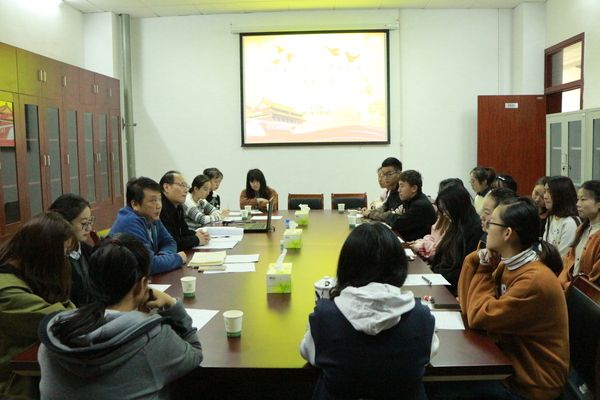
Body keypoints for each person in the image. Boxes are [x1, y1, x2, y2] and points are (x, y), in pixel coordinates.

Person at [38, 234, 203, 399]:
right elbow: (195, 354)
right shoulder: (152, 339)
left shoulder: (53, 337)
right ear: (142, 285)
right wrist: (172, 305)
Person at [300, 223, 438, 400]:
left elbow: (308, 353)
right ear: (400, 266)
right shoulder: (421, 318)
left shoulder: (324, 317)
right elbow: (428, 354)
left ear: (345, 267)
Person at [450, 198, 568, 400]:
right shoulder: (508, 264)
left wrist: (483, 268)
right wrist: (474, 259)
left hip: (530, 386)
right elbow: (467, 305)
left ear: (508, 233)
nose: (485, 226)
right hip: (507, 367)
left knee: (442, 389)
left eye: (491, 222)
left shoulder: (534, 281)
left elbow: (478, 316)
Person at [0, 213, 76, 399]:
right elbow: (65, 321)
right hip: (13, 387)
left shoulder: (27, 277)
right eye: (64, 254)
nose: (65, 261)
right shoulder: (6, 292)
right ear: (45, 254)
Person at [110, 176, 186, 274]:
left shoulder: (151, 217)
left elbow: (170, 242)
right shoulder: (129, 222)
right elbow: (148, 265)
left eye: (159, 199)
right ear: (135, 204)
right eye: (153, 201)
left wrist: (162, 256)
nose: (159, 206)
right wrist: (178, 258)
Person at [429, 185, 483, 295]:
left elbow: (464, 268)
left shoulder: (475, 229)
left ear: (456, 207)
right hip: (442, 279)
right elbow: (443, 255)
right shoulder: (456, 222)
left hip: (455, 286)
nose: (444, 214)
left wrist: (438, 276)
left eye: (445, 210)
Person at [49, 194, 96, 306]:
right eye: (84, 223)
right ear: (64, 223)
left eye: (90, 221)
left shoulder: (89, 251)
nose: (89, 228)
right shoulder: (53, 259)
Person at [559, 180, 600, 289]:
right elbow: (569, 260)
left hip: (586, 294)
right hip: (571, 289)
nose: (577, 204)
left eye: (583, 199)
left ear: (598, 203)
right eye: (578, 199)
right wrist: (562, 282)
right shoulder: (581, 229)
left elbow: (594, 279)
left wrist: (569, 287)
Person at [159, 170, 210, 251]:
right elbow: (172, 242)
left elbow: (184, 231)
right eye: (182, 185)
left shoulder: (178, 206)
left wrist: (197, 234)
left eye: (186, 186)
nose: (186, 190)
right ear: (166, 187)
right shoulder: (159, 208)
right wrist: (197, 239)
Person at [386, 170, 437, 242]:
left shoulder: (419, 205)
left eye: (402, 186)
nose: (398, 190)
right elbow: (393, 212)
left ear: (414, 188)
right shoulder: (409, 200)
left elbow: (396, 224)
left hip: (420, 246)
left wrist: (388, 215)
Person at [543, 175, 580, 256]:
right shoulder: (551, 217)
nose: (545, 197)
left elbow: (563, 257)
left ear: (561, 195)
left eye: (549, 192)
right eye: (545, 192)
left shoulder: (570, 223)